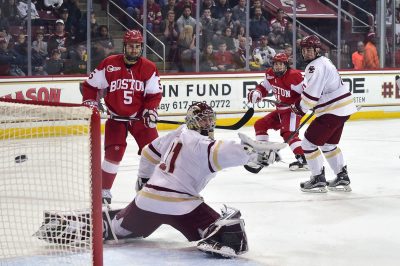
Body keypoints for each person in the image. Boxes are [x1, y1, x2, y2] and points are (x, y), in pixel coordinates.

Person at [34, 102, 286, 258]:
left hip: (147, 200)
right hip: (182, 205)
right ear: (195, 122)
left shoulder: (177, 133)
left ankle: (72, 224)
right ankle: (217, 236)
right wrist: (257, 154)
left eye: (210, 119)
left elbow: (147, 153)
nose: (208, 123)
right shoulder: (202, 144)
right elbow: (229, 151)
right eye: (204, 120)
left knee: (120, 229)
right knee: (231, 233)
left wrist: (143, 181)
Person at [82, 30, 163, 204]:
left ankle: (147, 184)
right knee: (114, 154)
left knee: (154, 152)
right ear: (124, 46)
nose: (134, 50)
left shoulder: (149, 67)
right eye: (131, 46)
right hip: (116, 118)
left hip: (140, 118)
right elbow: (90, 86)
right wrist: (90, 101)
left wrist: (151, 110)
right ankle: (103, 191)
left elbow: (154, 94)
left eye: (137, 46)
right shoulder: (109, 64)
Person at [290, 35, 358, 193]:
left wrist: (300, 108)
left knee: (307, 143)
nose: (306, 53)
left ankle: (318, 179)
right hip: (342, 109)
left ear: (317, 50)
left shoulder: (314, 66)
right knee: (329, 145)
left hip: (333, 110)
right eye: (304, 50)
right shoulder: (324, 62)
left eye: (309, 49)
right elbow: (318, 91)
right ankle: (342, 176)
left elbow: (312, 95)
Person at [247, 53, 308, 172]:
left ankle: (304, 159)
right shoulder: (270, 73)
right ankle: (263, 153)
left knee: (288, 133)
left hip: (292, 111)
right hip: (280, 110)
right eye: (276, 64)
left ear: (286, 65)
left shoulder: (294, 76)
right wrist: (257, 93)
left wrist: (302, 107)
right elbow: (264, 87)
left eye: (281, 64)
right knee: (260, 124)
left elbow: (307, 93)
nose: (278, 67)